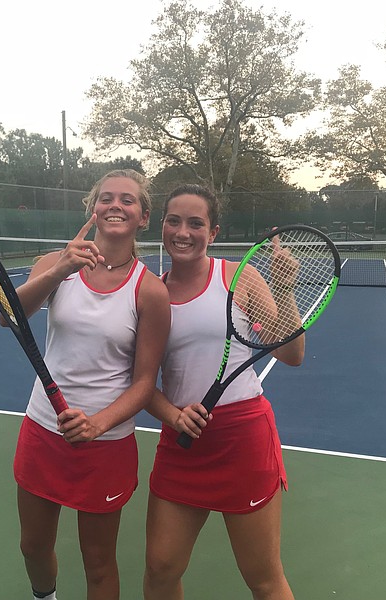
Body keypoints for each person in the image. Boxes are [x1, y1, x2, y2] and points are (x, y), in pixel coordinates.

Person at [6, 169, 171, 600]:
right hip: (43, 429)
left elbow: (143, 383)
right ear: (93, 209)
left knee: (99, 563)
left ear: (143, 217)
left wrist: (97, 425)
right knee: (33, 546)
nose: (116, 205)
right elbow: (8, 316)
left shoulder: (149, 291)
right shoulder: (56, 264)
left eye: (127, 200)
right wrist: (59, 269)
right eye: (107, 198)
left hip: (106, 443)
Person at [143, 184, 303, 600]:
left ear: (212, 232)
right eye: (174, 221)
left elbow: (290, 353)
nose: (183, 232)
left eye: (196, 223)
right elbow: (142, 384)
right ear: (162, 225)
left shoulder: (238, 277)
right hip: (182, 444)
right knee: (160, 571)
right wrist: (173, 415)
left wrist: (284, 287)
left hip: (243, 441)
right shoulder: (150, 294)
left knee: (263, 578)